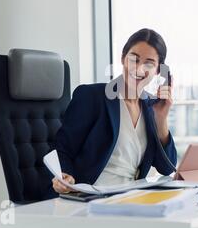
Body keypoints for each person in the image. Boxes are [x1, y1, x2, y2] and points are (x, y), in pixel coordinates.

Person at [52, 28, 177, 194]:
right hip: (91, 196)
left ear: (158, 71)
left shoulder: (151, 107)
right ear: (123, 58)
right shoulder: (92, 97)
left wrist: (161, 118)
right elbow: (63, 149)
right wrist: (65, 176)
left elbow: (167, 168)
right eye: (134, 59)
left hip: (131, 197)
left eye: (149, 63)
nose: (139, 69)